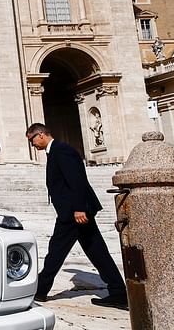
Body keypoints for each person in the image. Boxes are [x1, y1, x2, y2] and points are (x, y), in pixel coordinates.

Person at [25, 123, 127, 308]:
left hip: (73, 212)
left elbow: (77, 180)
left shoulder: (61, 150)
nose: (33, 145)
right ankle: (119, 292)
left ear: (40, 135)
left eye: (32, 140)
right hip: (74, 210)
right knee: (98, 253)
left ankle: (40, 289)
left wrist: (79, 208)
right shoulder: (56, 151)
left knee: (56, 250)